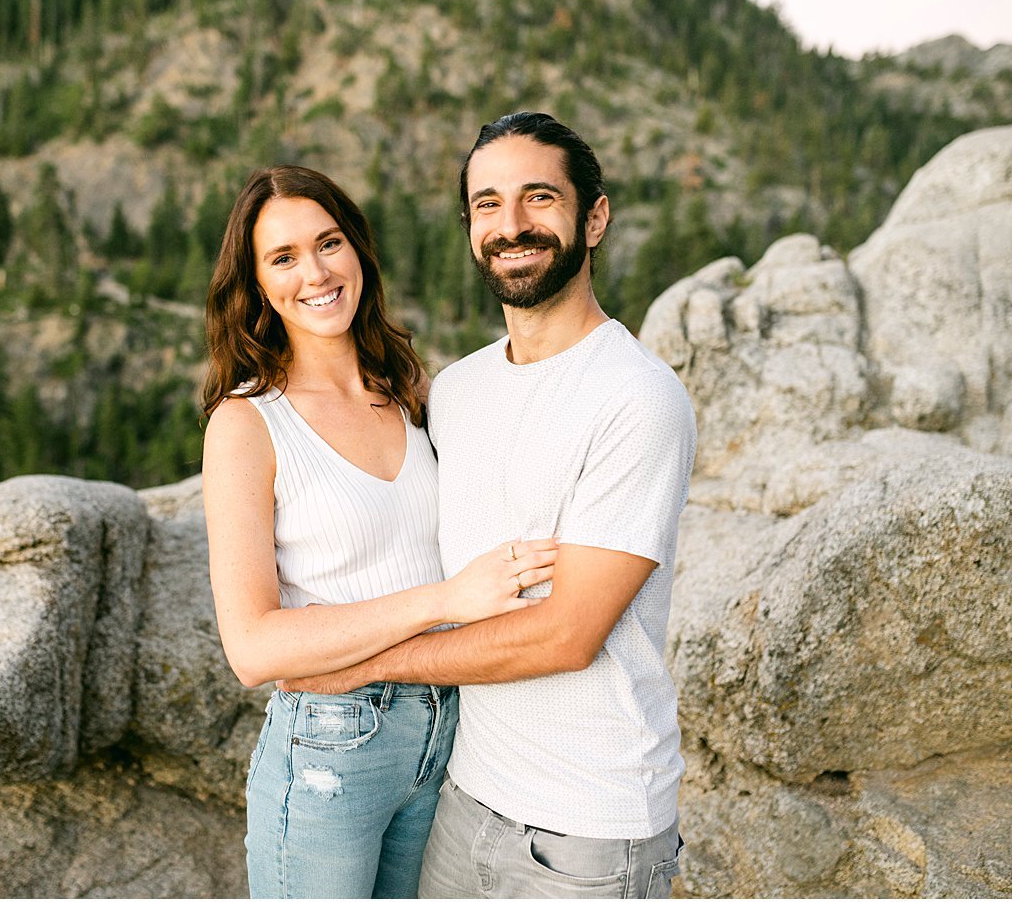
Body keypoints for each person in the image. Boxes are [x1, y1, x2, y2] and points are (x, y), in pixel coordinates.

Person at [283, 113, 698, 899]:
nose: (511, 226)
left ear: (595, 217)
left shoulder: (636, 397)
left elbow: (566, 633)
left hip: (589, 828)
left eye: (540, 198)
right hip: (464, 798)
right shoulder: (460, 390)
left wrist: (359, 668)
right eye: (487, 204)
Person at [199, 164, 557, 898]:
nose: (316, 272)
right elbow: (253, 646)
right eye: (285, 257)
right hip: (329, 746)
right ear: (258, 283)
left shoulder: (406, 388)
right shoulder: (247, 424)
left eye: (329, 242)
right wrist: (444, 598)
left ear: (358, 250)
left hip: (448, 733)